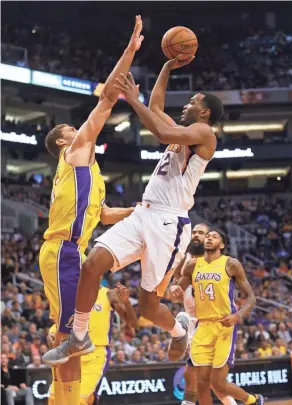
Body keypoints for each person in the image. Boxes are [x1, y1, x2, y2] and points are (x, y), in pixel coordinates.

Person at [43, 53, 224, 365]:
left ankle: (179, 331)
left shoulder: (205, 134)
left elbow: (161, 131)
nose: (185, 105)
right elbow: (155, 110)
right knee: (91, 266)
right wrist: (166, 67)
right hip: (144, 213)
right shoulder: (185, 132)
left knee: (149, 309)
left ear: (205, 112)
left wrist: (132, 99)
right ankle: (79, 337)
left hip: (169, 223)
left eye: (192, 102)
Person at [40, 16, 144, 405]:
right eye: (73, 126)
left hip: (69, 251)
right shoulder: (75, 151)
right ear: (65, 140)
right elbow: (106, 99)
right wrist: (130, 51)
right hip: (64, 251)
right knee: (69, 340)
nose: (79, 127)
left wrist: (139, 211)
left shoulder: (90, 173)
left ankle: (63, 395)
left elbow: (102, 216)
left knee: (67, 338)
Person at [168, 229, 263, 405]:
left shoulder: (231, 264)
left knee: (218, 383)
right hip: (202, 326)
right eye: (208, 236)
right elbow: (175, 295)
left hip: (224, 325)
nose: (210, 238)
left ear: (222, 245)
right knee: (202, 383)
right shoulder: (192, 265)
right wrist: (173, 289)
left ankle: (253, 400)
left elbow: (251, 298)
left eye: (215, 237)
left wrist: (237, 316)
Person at [47, 283, 137, 405]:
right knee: (54, 399)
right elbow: (62, 320)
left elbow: (132, 323)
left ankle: (90, 398)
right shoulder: (71, 294)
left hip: (95, 354)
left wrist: (126, 302)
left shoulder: (108, 294)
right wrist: (52, 332)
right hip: (71, 352)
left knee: (78, 400)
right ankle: (92, 398)